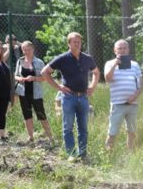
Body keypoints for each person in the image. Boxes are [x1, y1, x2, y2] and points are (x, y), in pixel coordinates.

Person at [41, 32, 99, 160]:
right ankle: (71, 154)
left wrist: (92, 87)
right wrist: (59, 87)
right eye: (74, 42)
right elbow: (45, 72)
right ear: (69, 43)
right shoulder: (62, 58)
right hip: (68, 97)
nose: (77, 44)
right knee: (68, 127)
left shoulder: (87, 58)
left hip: (83, 97)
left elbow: (96, 72)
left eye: (79, 41)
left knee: (83, 127)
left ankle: (83, 154)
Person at [104, 39, 143, 150]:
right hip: (117, 105)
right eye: (119, 48)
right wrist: (115, 64)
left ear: (128, 50)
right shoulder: (109, 64)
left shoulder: (135, 65)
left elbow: (141, 84)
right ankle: (108, 156)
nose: (122, 51)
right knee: (112, 132)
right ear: (115, 50)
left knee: (132, 132)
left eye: (124, 48)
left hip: (132, 104)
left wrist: (135, 96)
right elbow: (107, 79)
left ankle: (130, 155)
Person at [14, 41, 53, 143]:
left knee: (41, 115)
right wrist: (20, 79)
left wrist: (34, 78)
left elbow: (45, 78)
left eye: (28, 49)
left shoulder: (39, 62)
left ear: (33, 49)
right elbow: (15, 75)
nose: (26, 52)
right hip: (23, 92)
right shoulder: (20, 61)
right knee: (27, 115)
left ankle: (50, 138)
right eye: (24, 50)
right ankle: (31, 137)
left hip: (36, 93)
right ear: (22, 50)